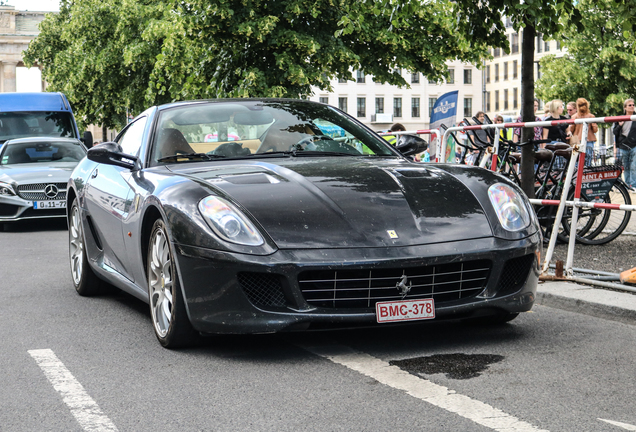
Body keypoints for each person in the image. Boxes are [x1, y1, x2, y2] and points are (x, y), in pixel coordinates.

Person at [613, 98, 636, 191]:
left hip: (634, 145)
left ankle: (633, 186)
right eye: (630, 105)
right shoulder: (620, 118)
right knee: (626, 167)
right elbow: (615, 132)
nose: (632, 106)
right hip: (623, 146)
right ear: (625, 107)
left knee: (634, 166)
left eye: (633, 104)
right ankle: (627, 185)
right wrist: (620, 125)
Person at [568, 98, 598, 166]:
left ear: (577, 106)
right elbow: (595, 129)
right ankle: (585, 175)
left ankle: (576, 176)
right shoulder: (591, 116)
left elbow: (571, 129)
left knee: (576, 160)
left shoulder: (574, 117)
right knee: (588, 161)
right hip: (589, 140)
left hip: (576, 140)